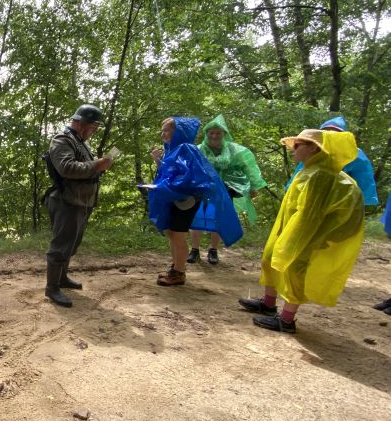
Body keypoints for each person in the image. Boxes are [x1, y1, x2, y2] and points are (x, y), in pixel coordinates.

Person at [239, 129, 365, 333]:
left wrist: (295, 240)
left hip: (312, 232)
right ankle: (268, 304)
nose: (292, 149)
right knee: (270, 258)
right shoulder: (308, 170)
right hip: (290, 226)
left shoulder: (321, 175)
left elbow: (309, 216)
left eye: (298, 145)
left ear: (314, 148)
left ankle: (287, 320)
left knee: (294, 267)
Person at [146, 117, 242, 286]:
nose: (163, 134)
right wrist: (158, 162)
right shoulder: (174, 149)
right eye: (162, 131)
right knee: (172, 233)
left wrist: (166, 187)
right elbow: (171, 172)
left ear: (178, 131)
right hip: (176, 198)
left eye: (167, 130)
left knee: (178, 235)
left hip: (185, 200)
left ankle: (179, 272)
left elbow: (191, 177)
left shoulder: (186, 149)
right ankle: (175, 267)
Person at [43, 104, 113, 307]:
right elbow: (66, 168)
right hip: (66, 201)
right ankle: (52, 288)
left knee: (72, 244)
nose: (95, 131)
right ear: (82, 124)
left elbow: (85, 168)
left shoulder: (80, 142)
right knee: (60, 246)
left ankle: (62, 278)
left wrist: (100, 166)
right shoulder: (62, 140)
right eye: (94, 127)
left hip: (81, 200)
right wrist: (97, 164)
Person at [187, 114, 267, 265]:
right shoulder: (198, 150)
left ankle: (213, 250)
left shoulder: (234, 150)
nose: (214, 135)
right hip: (202, 188)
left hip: (225, 189)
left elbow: (248, 167)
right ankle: (194, 250)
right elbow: (189, 168)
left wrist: (254, 186)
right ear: (206, 134)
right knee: (197, 217)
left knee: (219, 218)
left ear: (224, 134)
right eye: (211, 132)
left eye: (218, 133)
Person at [285, 116, 379, 206]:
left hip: (340, 205)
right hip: (308, 200)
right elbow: (295, 183)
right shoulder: (312, 153)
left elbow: (364, 188)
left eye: (334, 133)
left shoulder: (355, 154)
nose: (330, 135)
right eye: (326, 132)